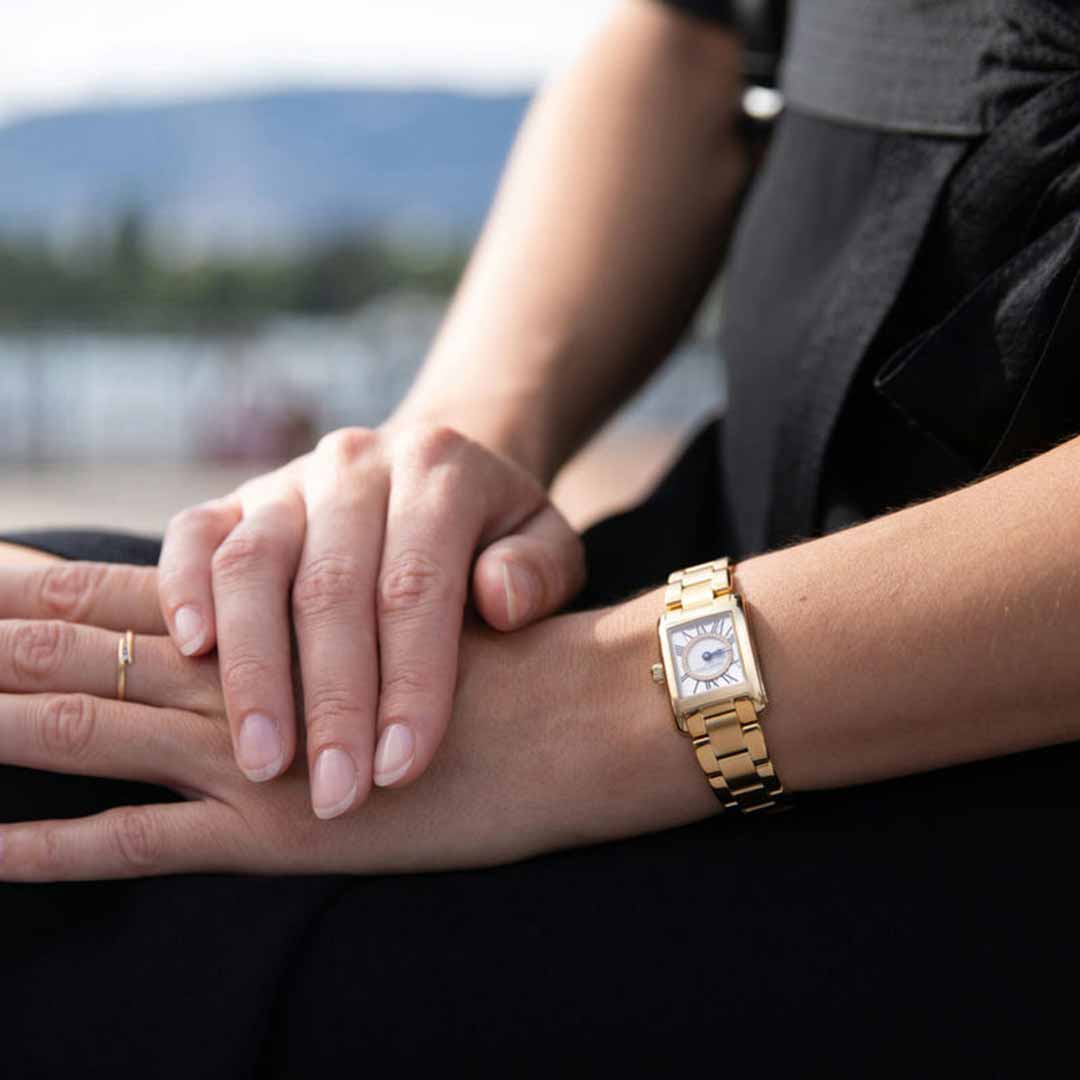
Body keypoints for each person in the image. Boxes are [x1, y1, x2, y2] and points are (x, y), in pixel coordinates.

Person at [1, 0, 1079, 1074]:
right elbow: (692, 36)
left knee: (193, 965)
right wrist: (448, 460)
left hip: (987, 745)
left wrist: (593, 708)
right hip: (702, 556)